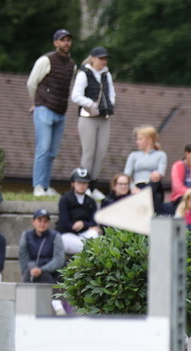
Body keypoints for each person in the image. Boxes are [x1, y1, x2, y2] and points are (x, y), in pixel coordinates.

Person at [26, 29, 76, 197]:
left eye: (68, 40)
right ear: (55, 43)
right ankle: (38, 185)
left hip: (60, 111)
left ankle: (46, 186)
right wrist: (37, 102)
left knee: (52, 152)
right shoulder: (45, 60)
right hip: (44, 108)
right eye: (62, 40)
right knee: (43, 148)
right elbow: (32, 83)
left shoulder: (72, 65)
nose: (66, 43)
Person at [70, 46, 115, 201]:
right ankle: (85, 184)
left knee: (100, 153)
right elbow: (76, 96)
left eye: (105, 59)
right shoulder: (84, 73)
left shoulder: (106, 74)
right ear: (93, 58)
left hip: (104, 117)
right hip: (88, 116)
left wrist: (109, 105)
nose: (103, 61)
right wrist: (92, 104)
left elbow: (111, 93)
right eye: (101, 58)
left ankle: (94, 185)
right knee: (88, 152)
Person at [56, 167, 101, 255]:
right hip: (67, 234)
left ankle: (90, 251)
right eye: (79, 182)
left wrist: (84, 224)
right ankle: (91, 252)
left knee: (94, 234)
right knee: (86, 245)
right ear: (73, 183)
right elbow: (63, 222)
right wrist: (75, 226)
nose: (82, 186)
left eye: (84, 183)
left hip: (84, 233)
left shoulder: (91, 201)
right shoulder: (65, 199)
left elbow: (94, 222)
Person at [123, 126, 168, 214]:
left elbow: (161, 172)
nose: (137, 142)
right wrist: (133, 188)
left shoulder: (161, 155)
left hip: (153, 186)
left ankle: (144, 194)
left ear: (149, 140)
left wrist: (157, 173)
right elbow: (127, 175)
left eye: (140, 139)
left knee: (155, 180)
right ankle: (144, 194)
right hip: (138, 186)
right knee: (155, 197)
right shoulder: (133, 155)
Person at [19, 208, 65, 283]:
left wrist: (42, 270)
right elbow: (23, 258)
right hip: (33, 270)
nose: (42, 224)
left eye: (45, 221)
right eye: (39, 221)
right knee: (27, 274)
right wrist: (31, 270)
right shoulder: (26, 235)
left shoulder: (56, 236)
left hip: (52, 273)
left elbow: (58, 260)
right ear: (33, 222)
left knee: (45, 276)